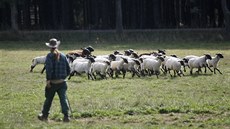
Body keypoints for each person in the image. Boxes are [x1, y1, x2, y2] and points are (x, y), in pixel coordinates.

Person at [38, 38, 71, 122]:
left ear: (49, 47)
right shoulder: (63, 56)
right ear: (57, 46)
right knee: (63, 99)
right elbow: (69, 69)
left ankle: (44, 115)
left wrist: (48, 80)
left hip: (53, 83)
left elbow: (49, 69)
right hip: (62, 82)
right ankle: (66, 116)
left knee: (48, 99)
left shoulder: (49, 56)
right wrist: (63, 78)